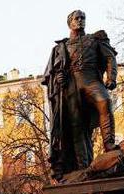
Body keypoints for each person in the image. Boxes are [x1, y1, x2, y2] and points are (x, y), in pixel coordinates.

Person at [42, 9, 118, 180]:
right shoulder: (61, 47)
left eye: (82, 18)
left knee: (105, 102)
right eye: (76, 18)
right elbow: (51, 73)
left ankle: (110, 146)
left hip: (91, 80)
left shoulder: (95, 39)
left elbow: (109, 58)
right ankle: (84, 167)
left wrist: (111, 77)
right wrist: (58, 77)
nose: (80, 20)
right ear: (70, 23)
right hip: (71, 86)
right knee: (77, 127)